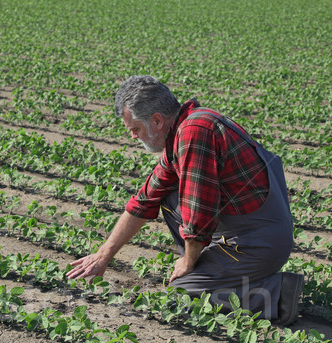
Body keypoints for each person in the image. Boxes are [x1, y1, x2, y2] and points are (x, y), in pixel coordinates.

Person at [67, 75, 303, 326]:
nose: (134, 137)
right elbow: (145, 200)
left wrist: (188, 262)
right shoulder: (184, 130)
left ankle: (278, 293)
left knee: (181, 295)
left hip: (259, 242)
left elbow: (198, 209)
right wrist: (103, 256)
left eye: (135, 129)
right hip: (248, 230)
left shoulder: (194, 132)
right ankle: (213, 270)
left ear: (156, 120)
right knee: (167, 197)